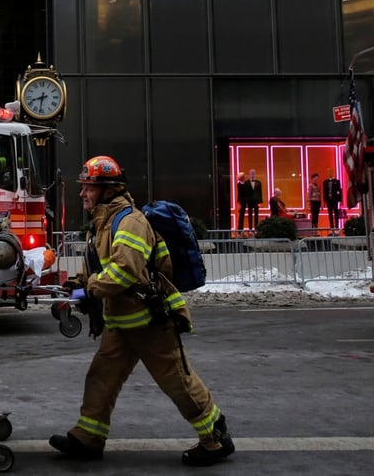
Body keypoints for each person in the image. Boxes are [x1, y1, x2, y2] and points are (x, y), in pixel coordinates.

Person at [50, 155, 235, 467]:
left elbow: (124, 273)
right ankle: (88, 438)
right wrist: (74, 287)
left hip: (151, 322)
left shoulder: (130, 223)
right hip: (121, 324)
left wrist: (90, 288)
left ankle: (216, 439)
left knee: (177, 382)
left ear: (109, 190)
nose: (82, 193)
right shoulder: (100, 225)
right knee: (101, 378)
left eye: (88, 188)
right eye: (83, 187)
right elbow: (96, 271)